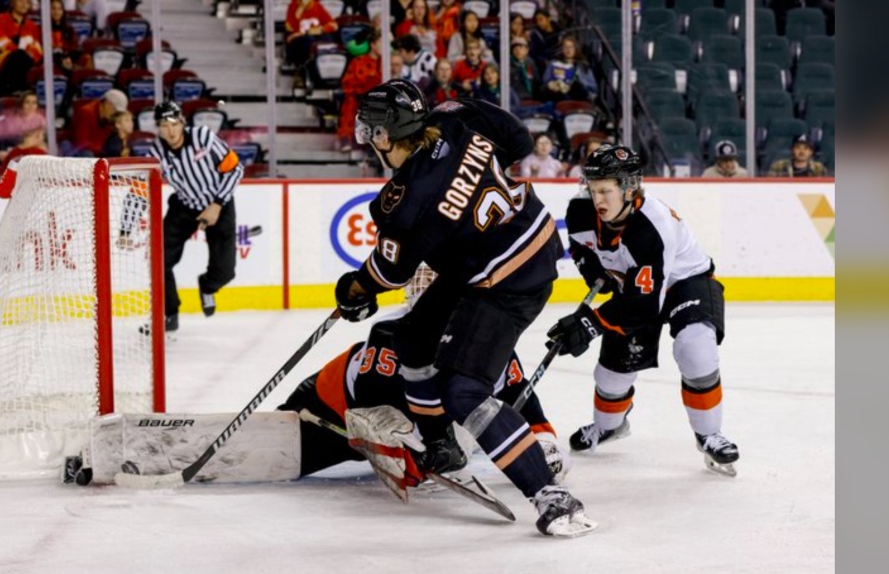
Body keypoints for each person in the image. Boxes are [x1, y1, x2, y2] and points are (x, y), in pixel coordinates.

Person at [339, 79, 595, 537]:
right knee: (412, 339)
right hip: (510, 248)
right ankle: (442, 446)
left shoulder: (404, 198)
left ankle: (551, 496)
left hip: (508, 281)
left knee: (464, 392)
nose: (369, 141)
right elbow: (516, 139)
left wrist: (355, 288)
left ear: (384, 136)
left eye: (371, 131)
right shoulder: (454, 118)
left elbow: (391, 272)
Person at [545, 144, 741, 477]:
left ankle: (710, 435)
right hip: (633, 288)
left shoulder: (652, 225)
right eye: (593, 190)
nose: (598, 200)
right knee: (611, 376)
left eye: (606, 190)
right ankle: (609, 426)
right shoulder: (581, 211)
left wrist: (591, 323)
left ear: (629, 188)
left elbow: (646, 306)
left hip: (685, 282)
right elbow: (580, 247)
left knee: (696, 348)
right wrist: (593, 272)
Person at [279, 267, 570, 484]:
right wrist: (412, 451)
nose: (429, 290)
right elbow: (372, 406)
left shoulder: (488, 334)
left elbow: (516, 393)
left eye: (437, 281)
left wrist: (544, 442)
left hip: (403, 423)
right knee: (280, 455)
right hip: (326, 411)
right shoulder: (389, 332)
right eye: (423, 280)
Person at [136, 101, 243, 334]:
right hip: (184, 207)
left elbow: (234, 168)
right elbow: (139, 190)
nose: (170, 131)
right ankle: (169, 314)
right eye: (164, 125)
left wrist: (216, 205)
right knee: (158, 260)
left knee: (225, 271)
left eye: (173, 124)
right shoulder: (156, 153)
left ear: (182, 122)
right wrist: (126, 227)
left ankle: (207, 286)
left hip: (219, 203)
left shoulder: (203, 137)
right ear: (158, 128)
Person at [337, 28, 384, 152]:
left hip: (382, 101)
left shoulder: (387, 63)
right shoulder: (357, 62)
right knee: (350, 104)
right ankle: (347, 139)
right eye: (382, 43)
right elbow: (348, 85)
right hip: (360, 99)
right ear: (373, 44)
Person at [0, 0, 43, 97]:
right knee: (18, 56)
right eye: (20, 1)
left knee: (26, 58)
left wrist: (22, 49)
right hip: (2, 61)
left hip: (26, 61)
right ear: (12, 3)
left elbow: (37, 51)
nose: (24, 4)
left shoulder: (32, 25)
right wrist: (21, 47)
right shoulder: (0, 18)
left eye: (27, 2)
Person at [69, 89, 128, 156]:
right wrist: (102, 151)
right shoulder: (86, 113)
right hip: (77, 151)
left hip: (97, 151)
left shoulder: (107, 118)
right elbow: (81, 142)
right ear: (107, 104)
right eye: (115, 111)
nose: (115, 115)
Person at [284, 0, 338, 69]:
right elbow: (289, 37)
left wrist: (321, 29)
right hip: (302, 40)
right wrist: (298, 13)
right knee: (307, 42)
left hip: (317, 37)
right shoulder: (293, 6)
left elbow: (333, 25)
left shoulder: (317, 6)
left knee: (328, 39)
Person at [542, 35, 596, 103]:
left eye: (571, 47)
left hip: (576, 99)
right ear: (561, 49)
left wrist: (577, 86)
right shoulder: (553, 64)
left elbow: (592, 89)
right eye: (565, 47)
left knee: (577, 86)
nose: (568, 49)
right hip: (556, 97)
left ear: (575, 48)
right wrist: (549, 84)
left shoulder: (583, 66)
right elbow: (544, 83)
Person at [509, 37, 540, 102]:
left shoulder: (530, 62)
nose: (518, 51)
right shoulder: (508, 63)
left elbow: (536, 81)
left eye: (521, 48)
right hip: (515, 99)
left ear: (527, 50)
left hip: (530, 98)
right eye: (515, 48)